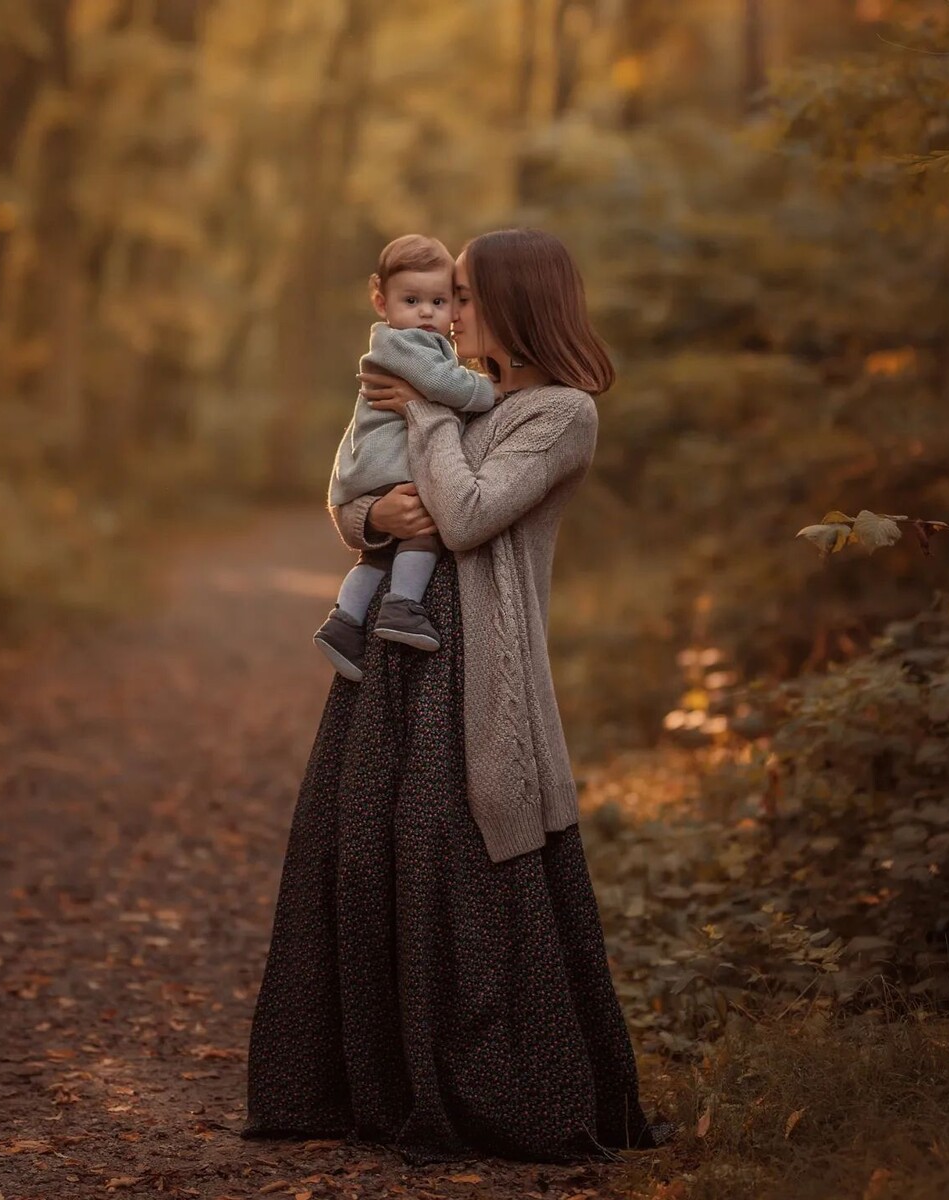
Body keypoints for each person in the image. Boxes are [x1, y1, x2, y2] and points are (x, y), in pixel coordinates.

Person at [242, 228, 675, 1166]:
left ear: (518, 305)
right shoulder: (453, 386)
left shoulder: (560, 414)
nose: (448, 309)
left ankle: (496, 1091)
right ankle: (367, 1089)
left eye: (468, 294)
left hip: (476, 672)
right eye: (446, 294)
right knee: (362, 848)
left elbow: (471, 514)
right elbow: (365, 486)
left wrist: (430, 417)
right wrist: (370, 516)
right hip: (391, 652)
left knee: (459, 857)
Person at [313, 234, 496, 682]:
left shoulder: (413, 342)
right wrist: (490, 391)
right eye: (411, 300)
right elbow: (447, 387)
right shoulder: (402, 344)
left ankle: (343, 622)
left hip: (377, 467)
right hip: (390, 464)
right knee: (422, 533)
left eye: (439, 300)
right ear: (381, 300)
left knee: (375, 559)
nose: (427, 312)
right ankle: (402, 607)